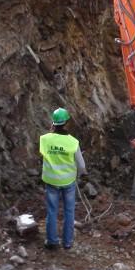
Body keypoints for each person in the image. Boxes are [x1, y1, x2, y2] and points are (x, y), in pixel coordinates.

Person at [39, 107, 86, 250]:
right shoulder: (73, 142)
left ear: (53, 123)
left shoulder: (44, 139)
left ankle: (52, 241)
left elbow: (43, 155)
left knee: (52, 211)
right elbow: (82, 166)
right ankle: (67, 242)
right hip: (68, 182)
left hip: (51, 181)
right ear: (67, 123)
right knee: (69, 211)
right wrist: (79, 176)